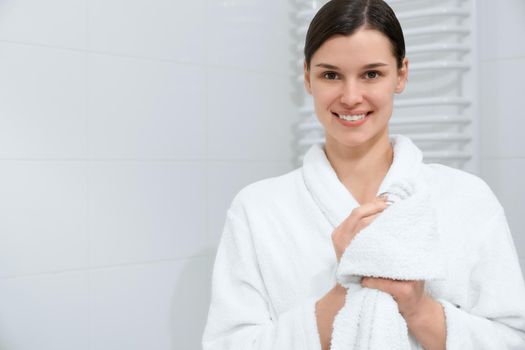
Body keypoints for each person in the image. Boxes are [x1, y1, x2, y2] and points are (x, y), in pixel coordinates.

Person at [202, 0, 525, 349]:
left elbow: (511, 339)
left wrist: (417, 307)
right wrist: (347, 286)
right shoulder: (258, 209)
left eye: (372, 74)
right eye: (331, 75)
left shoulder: (467, 198)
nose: (351, 97)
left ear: (401, 75)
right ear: (308, 77)